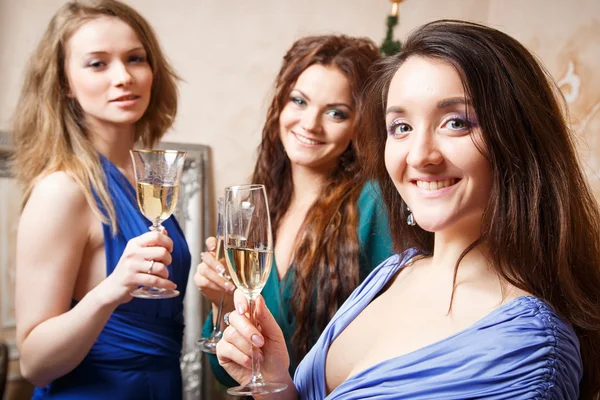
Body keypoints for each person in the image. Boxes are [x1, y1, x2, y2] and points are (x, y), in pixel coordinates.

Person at [215, 19, 600, 399]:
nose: (419, 155)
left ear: (518, 139)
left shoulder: (529, 351)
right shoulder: (393, 273)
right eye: (400, 127)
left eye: (455, 122)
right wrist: (278, 383)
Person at [12, 1, 190, 398]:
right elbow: (34, 364)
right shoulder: (62, 190)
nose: (124, 76)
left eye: (135, 58)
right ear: (63, 83)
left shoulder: (144, 176)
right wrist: (111, 291)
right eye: (97, 64)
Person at [194, 35, 393, 385]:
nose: (310, 124)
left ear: (358, 126)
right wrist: (222, 302)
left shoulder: (374, 203)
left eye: (336, 112)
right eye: (299, 101)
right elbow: (229, 377)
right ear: (280, 106)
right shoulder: (257, 206)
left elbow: (392, 349)